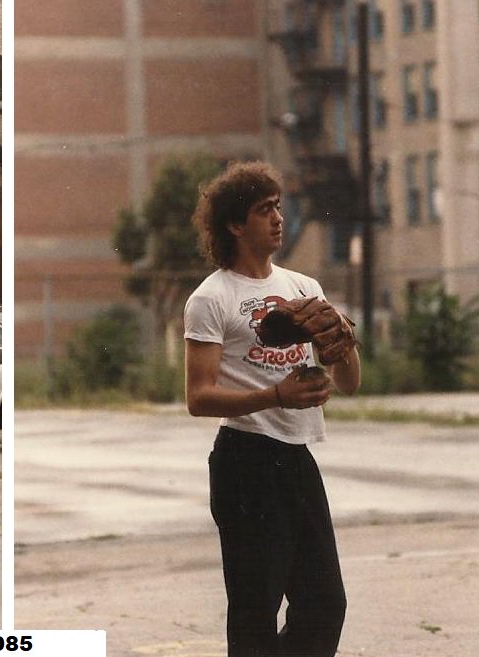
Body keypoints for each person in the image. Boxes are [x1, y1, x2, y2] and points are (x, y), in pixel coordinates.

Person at [183, 161, 360, 656]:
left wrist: (341, 346)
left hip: (297, 460)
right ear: (236, 225)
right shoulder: (212, 298)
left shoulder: (305, 287)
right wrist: (274, 396)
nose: (278, 218)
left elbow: (349, 384)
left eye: (279, 207)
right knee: (255, 612)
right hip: (245, 461)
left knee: (325, 604)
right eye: (264, 210)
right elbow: (198, 397)